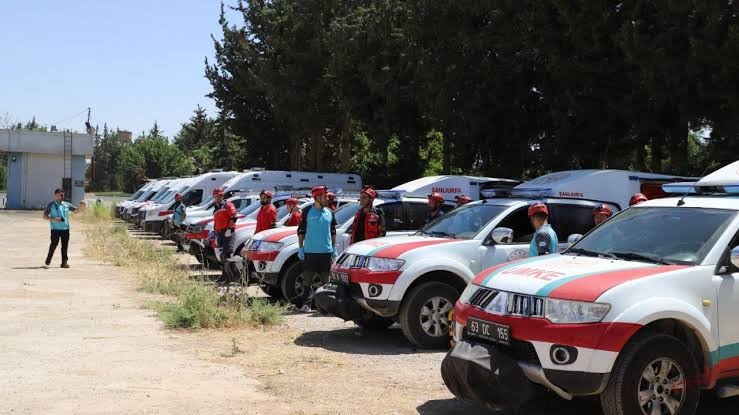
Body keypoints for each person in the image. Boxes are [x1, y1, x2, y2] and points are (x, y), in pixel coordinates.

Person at [297, 185, 337, 310]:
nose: (327, 199)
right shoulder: (307, 211)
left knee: (327, 283)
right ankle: (305, 304)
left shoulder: (329, 212)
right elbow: (301, 231)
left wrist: (334, 249)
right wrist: (300, 247)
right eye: (325, 196)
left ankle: (325, 307)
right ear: (317, 197)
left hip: (326, 253)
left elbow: (333, 232)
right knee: (307, 281)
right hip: (310, 252)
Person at [43, 188, 85, 268]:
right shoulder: (51, 205)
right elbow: (44, 216)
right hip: (55, 229)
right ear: (56, 195)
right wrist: (53, 219)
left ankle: (64, 263)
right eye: (60, 195)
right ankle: (48, 258)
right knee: (53, 245)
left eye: (63, 195)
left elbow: (76, 211)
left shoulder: (66, 204)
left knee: (65, 246)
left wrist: (81, 206)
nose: (62, 196)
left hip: (65, 229)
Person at [212, 188, 238, 284]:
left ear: (222, 196)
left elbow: (234, 216)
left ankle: (229, 278)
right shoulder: (216, 207)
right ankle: (224, 276)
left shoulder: (228, 205)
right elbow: (216, 222)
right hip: (219, 233)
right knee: (222, 256)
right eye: (216, 196)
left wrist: (229, 229)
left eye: (219, 196)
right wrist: (215, 234)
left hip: (228, 232)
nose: (218, 197)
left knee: (226, 255)